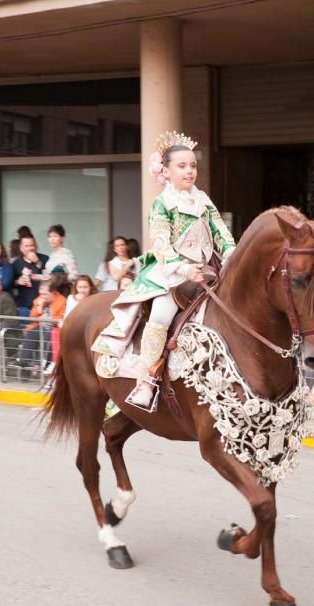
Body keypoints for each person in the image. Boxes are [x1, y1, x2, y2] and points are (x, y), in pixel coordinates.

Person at [116, 130, 236, 409]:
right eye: (181, 166)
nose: (189, 171)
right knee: (160, 313)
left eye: (192, 165)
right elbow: (160, 243)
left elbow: (222, 235)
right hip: (171, 274)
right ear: (166, 171)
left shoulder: (204, 201)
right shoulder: (161, 204)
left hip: (208, 270)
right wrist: (183, 270)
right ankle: (146, 381)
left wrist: (232, 256)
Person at [18, 279, 66, 380]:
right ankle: (24, 364)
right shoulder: (39, 300)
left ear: (53, 292)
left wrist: (49, 317)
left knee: (46, 337)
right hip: (40, 326)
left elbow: (61, 319)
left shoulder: (61, 301)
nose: (42, 296)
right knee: (30, 335)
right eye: (41, 294)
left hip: (54, 328)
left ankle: (44, 366)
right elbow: (32, 317)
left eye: (45, 294)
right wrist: (39, 308)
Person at [12, 234, 49, 317]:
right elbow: (10, 283)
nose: (30, 248)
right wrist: (18, 282)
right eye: (26, 246)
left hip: (43, 304)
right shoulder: (16, 263)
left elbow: (49, 278)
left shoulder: (44, 258)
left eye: (32, 245)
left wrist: (37, 262)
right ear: (21, 248)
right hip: (24, 305)